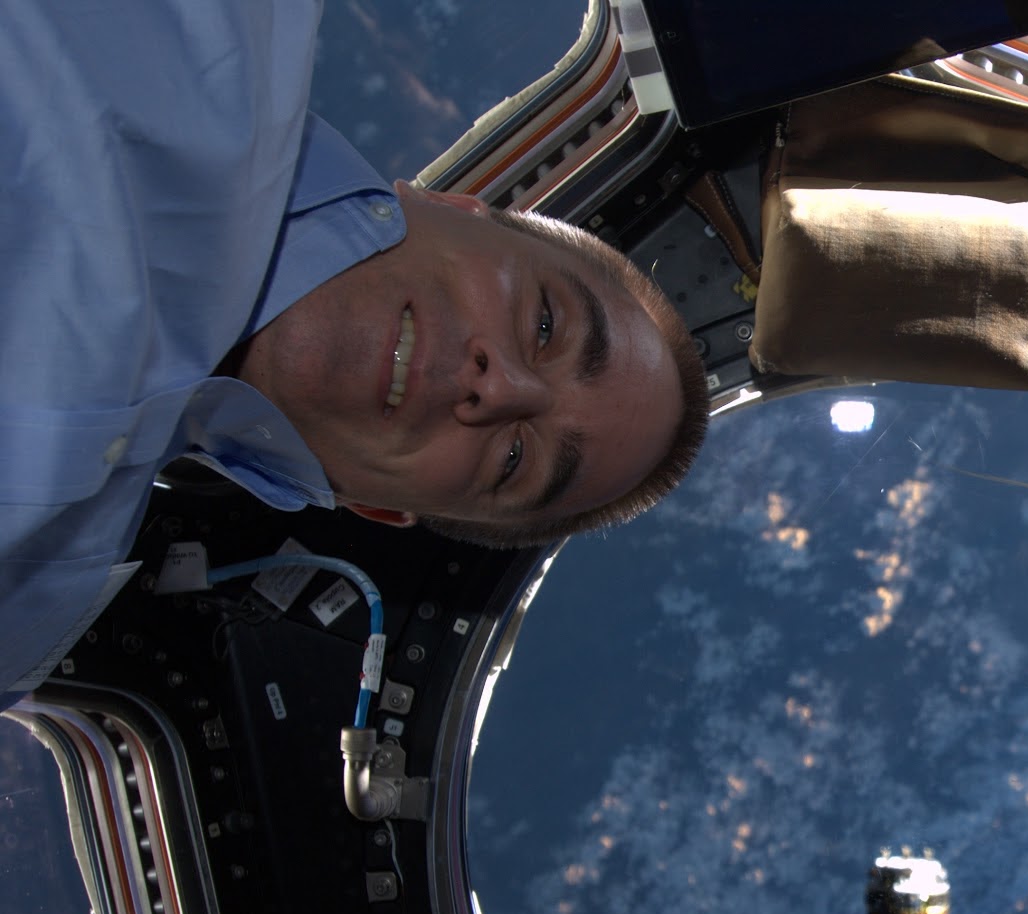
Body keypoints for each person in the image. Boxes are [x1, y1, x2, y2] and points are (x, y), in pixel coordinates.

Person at [1, 1, 710, 699]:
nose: (503, 390)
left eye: (517, 459)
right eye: (548, 326)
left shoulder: (33, 599)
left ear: (372, 505)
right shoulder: (212, 27)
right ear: (457, 208)